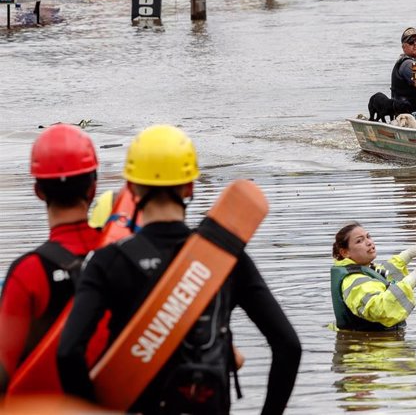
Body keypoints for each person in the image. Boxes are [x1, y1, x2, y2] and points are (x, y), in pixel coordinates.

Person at [57, 125, 301, 414]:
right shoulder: (227, 258)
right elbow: (288, 346)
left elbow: (68, 353)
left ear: (132, 189)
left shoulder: (107, 262)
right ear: (190, 187)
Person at [0, 124, 100, 395]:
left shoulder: (27, 274)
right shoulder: (120, 256)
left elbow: (3, 369)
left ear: (38, 191)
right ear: (93, 188)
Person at [330, 223, 416, 331]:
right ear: (345, 252)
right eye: (359, 241)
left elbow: (383, 276)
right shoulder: (353, 281)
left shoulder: (365, 270)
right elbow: (380, 308)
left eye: (368, 236)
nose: (368, 242)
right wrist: (411, 280)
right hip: (370, 346)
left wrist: (406, 256)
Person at [391, 27, 416, 114]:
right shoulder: (410, 65)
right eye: (411, 42)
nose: (415, 44)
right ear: (404, 47)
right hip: (410, 114)